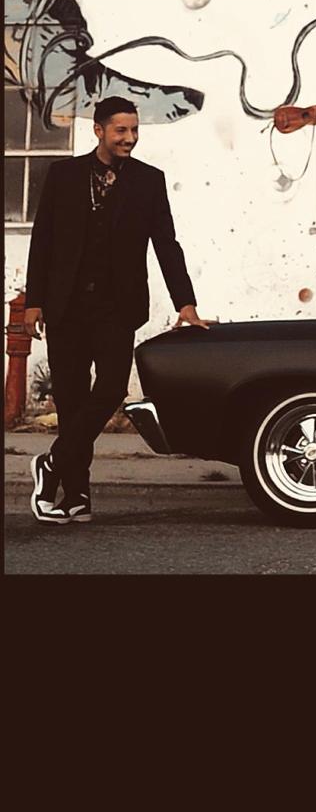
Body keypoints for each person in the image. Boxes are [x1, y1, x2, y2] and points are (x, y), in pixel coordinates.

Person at [24, 95, 210, 525]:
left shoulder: (149, 180)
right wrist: (34, 301)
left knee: (110, 389)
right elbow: (43, 238)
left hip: (116, 306)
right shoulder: (64, 174)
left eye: (134, 130)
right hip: (66, 304)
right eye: (121, 130)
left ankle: (51, 463)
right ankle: (77, 496)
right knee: (70, 401)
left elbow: (166, 243)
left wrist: (186, 302)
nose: (130, 138)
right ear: (99, 130)